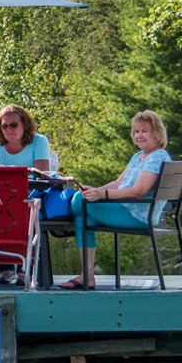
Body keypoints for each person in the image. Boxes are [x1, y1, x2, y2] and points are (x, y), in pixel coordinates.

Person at [60, 110, 173, 290]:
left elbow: (138, 192)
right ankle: (87, 276)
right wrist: (97, 190)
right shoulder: (138, 156)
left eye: (144, 131)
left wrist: (102, 196)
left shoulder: (157, 157)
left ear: (157, 133)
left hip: (137, 214)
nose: (139, 135)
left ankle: (62, 225)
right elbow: (118, 183)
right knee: (83, 218)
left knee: (77, 201)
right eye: (136, 131)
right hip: (126, 209)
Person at [0, 105, 52, 285]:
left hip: (30, 196)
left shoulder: (38, 141)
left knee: (27, 211)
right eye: (5, 126)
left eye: (14, 125)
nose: (9, 129)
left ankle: (24, 269)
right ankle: (5, 268)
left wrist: (5, 170)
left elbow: (41, 173)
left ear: (24, 125)